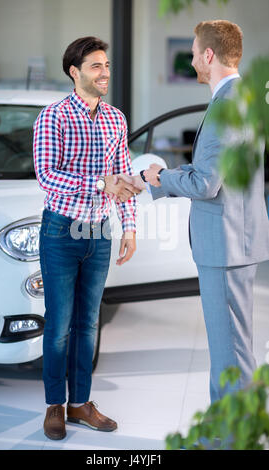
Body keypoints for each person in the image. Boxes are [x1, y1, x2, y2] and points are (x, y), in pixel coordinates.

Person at [119, 20, 269, 404]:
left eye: (192, 52)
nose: (190, 60)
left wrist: (160, 180)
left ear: (208, 55)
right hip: (235, 239)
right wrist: (158, 176)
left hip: (226, 243)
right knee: (231, 349)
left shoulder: (227, 105)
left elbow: (206, 184)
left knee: (230, 353)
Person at [33, 36, 140, 440]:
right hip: (61, 231)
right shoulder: (53, 117)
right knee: (59, 324)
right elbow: (48, 175)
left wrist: (129, 226)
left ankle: (80, 403)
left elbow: (124, 176)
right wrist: (101, 183)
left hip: (100, 232)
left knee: (88, 324)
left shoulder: (115, 118)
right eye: (96, 66)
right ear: (75, 72)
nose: (105, 73)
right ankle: (54, 407)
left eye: (107, 65)